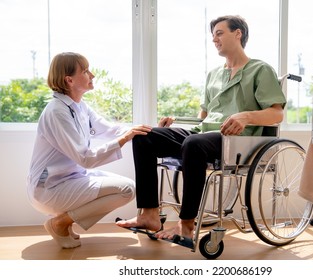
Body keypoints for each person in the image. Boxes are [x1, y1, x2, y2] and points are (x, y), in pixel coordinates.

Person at [116, 15, 286, 241]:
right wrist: (176, 123)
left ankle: (186, 224)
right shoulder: (214, 75)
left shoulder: (260, 70)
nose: (214, 39)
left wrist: (245, 116)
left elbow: (277, 113)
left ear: (238, 34)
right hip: (203, 136)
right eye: (213, 35)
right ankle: (149, 214)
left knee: (193, 143)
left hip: (237, 141)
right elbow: (204, 117)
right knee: (144, 135)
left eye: (219, 33)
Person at [27, 52, 152, 249]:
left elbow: (110, 129)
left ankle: (63, 222)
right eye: (85, 71)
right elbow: (85, 158)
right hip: (49, 188)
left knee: (127, 186)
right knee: (126, 190)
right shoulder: (57, 111)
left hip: (68, 179)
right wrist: (124, 138)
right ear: (69, 80)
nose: (92, 75)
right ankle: (60, 222)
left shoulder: (79, 106)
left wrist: (150, 130)